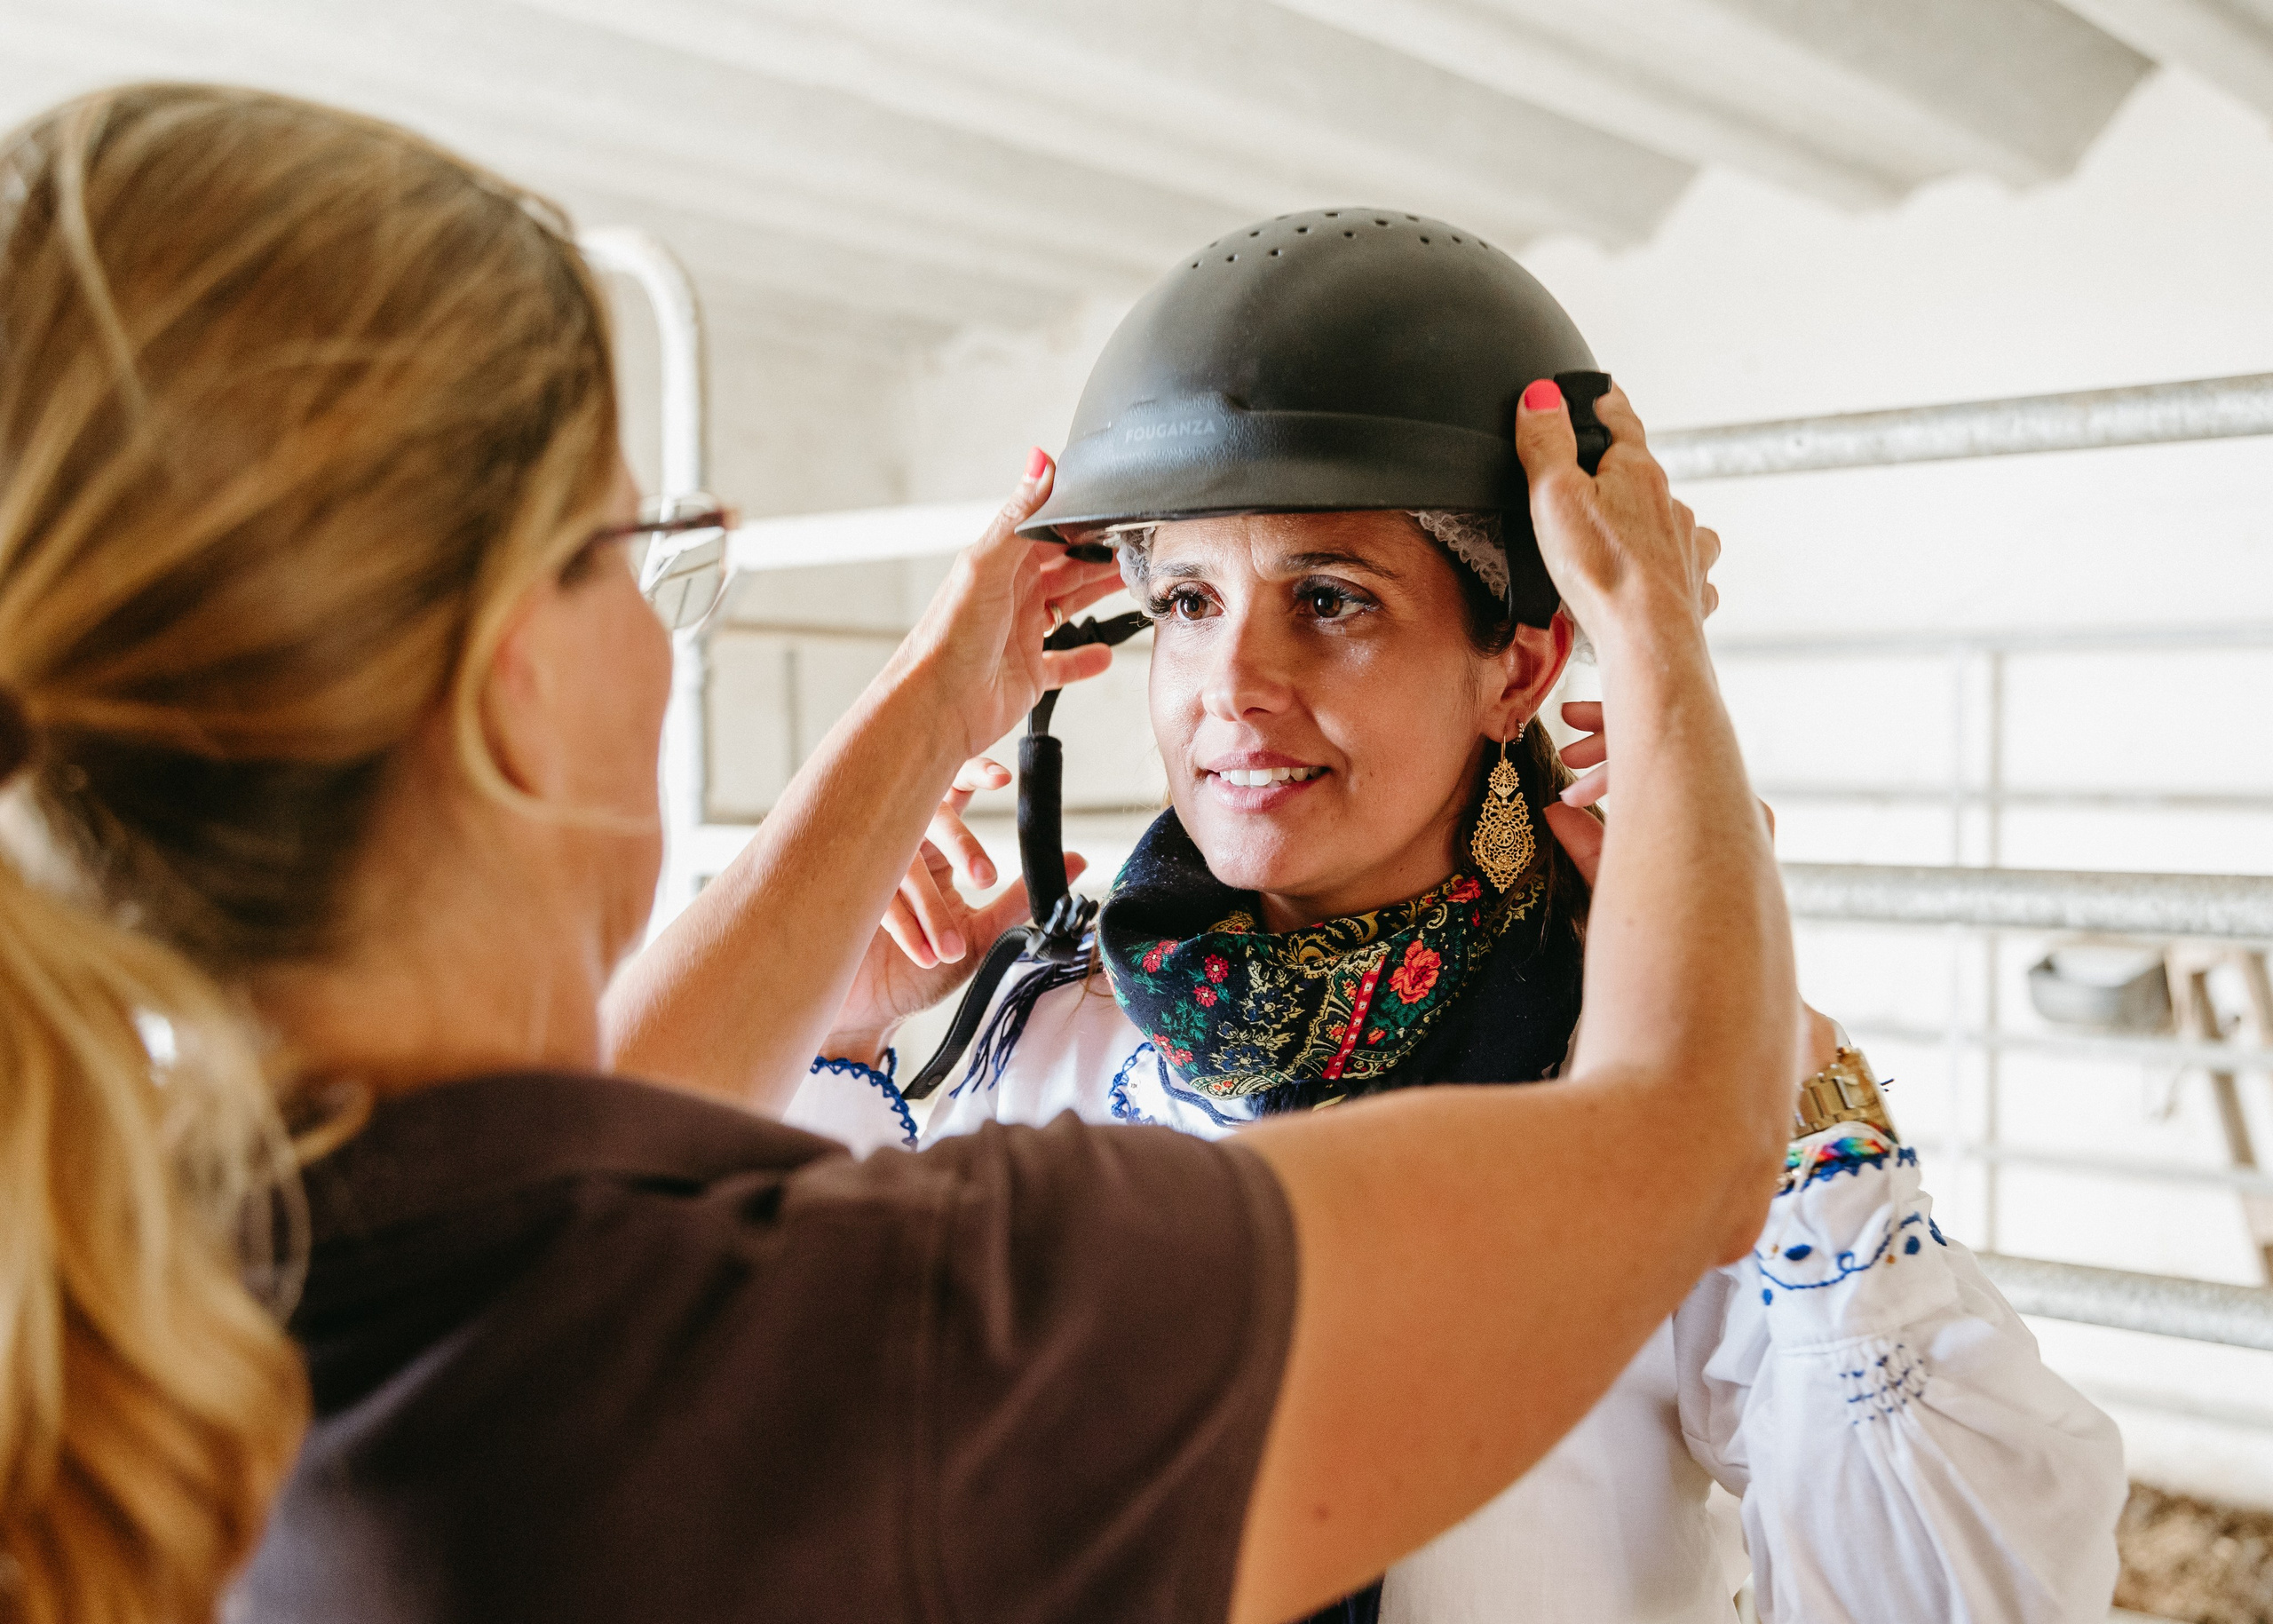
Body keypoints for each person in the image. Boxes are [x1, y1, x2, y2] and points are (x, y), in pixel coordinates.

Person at [0, 85, 1800, 1624]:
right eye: (633, 553)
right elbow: (1688, 1139)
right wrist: (1659, 656)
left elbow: (587, 1127)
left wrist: (941, 695)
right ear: (511, 684)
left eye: (1323, 597)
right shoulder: (892, 1328)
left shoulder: (151, 1293)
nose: (1234, 678)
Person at [791, 209, 2128, 1622]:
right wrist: (837, 1027)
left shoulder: (1648, 1088)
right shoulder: (1056, 1027)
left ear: (1521, 668)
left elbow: (1963, 1593)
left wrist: (1750, 1012)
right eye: (1185, 598)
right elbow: (821, 1457)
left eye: (1329, 598)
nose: (1231, 683)